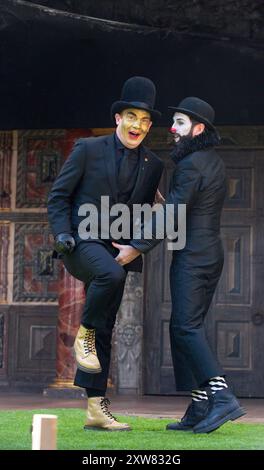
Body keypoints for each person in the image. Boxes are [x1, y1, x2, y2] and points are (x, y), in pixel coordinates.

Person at [113, 97, 246, 434]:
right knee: (184, 327)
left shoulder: (190, 164)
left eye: (181, 123)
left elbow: (174, 213)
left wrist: (135, 247)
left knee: (185, 328)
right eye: (173, 122)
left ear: (198, 129)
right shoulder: (210, 161)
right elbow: (184, 205)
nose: (172, 129)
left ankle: (222, 395)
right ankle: (200, 404)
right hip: (209, 253)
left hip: (194, 256)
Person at [47, 76, 164, 431]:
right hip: (80, 244)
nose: (138, 126)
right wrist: (64, 234)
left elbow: (153, 214)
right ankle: (83, 334)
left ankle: (97, 409)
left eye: (145, 121)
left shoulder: (153, 164)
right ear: (118, 118)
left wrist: (137, 246)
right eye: (132, 116)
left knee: (106, 328)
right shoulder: (87, 149)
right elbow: (58, 197)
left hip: (117, 252)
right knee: (107, 284)